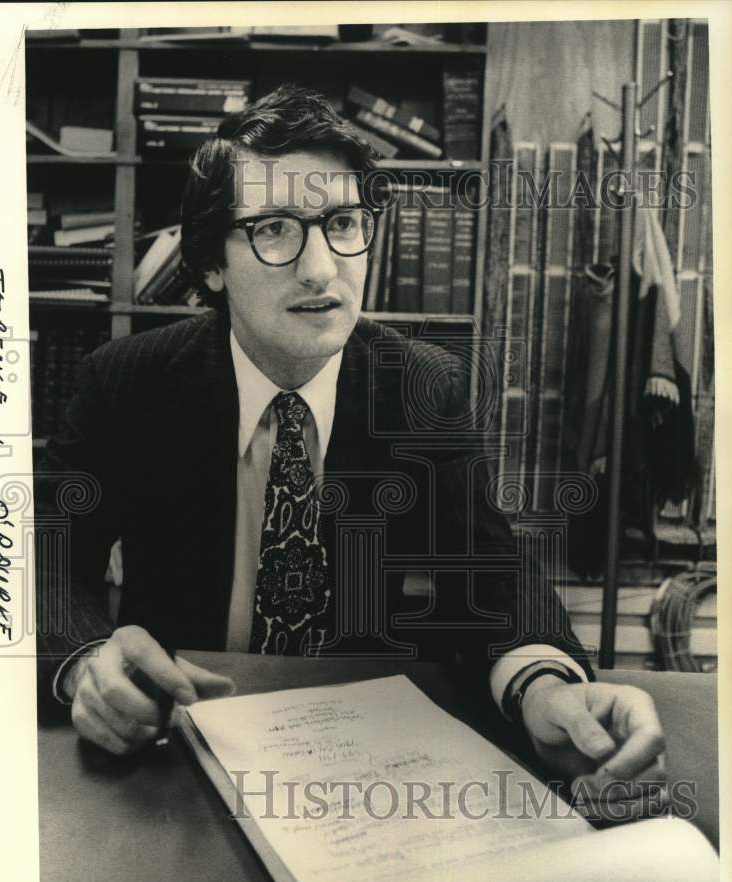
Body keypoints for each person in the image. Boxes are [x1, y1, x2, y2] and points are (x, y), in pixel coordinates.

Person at [36, 85, 665, 811]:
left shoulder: (421, 387)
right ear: (209, 263)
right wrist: (86, 665)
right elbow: (43, 562)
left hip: (365, 772)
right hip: (171, 756)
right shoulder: (126, 383)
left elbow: (489, 578)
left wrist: (542, 689)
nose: (319, 268)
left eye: (340, 222)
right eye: (274, 229)